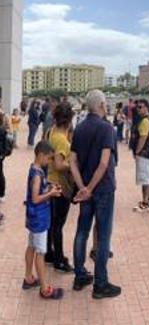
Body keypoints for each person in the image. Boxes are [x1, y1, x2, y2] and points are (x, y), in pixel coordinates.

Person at [69, 90, 121, 298]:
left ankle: (79, 274)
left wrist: (82, 187)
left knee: (82, 231)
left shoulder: (79, 128)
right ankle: (100, 283)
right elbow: (104, 162)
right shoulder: (106, 128)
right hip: (103, 189)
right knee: (103, 233)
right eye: (105, 103)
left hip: (86, 190)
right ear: (100, 104)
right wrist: (89, 188)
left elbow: (72, 161)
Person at [22, 141, 65, 300]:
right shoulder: (38, 175)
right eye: (49, 158)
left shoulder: (34, 169)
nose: (50, 161)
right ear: (41, 155)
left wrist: (49, 187)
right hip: (39, 218)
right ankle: (45, 288)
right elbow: (35, 198)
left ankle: (28, 277)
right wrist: (51, 194)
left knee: (32, 246)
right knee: (40, 251)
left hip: (33, 216)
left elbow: (37, 191)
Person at [44, 102, 75, 273]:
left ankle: (49, 253)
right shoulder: (62, 140)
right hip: (60, 185)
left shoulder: (50, 132)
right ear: (69, 121)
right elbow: (58, 164)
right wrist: (72, 165)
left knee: (52, 222)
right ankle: (59, 260)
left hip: (49, 181)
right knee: (58, 224)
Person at [131, 100, 149, 212]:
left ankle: (145, 202)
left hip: (144, 153)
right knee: (148, 176)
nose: (138, 109)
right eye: (137, 107)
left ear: (146, 107)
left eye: (140, 107)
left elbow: (143, 137)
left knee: (144, 178)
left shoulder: (145, 121)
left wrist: (137, 151)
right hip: (148, 152)